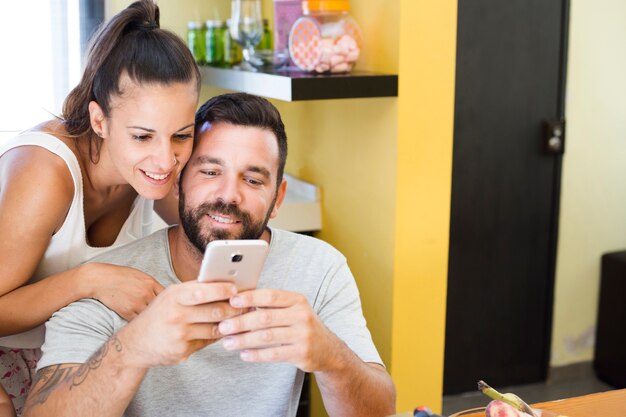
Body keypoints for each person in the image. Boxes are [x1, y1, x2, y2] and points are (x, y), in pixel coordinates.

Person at [22, 93, 396, 417]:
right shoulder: (110, 282)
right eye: (211, 171)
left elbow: (380, 410)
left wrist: (331, 357)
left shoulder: (320, 267)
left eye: (253, 179)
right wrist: (133, 348)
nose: (228, 194)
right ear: (179, 181)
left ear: (278, 199)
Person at [0, 1, 200, 415]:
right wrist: (89, 279)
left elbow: (202, 238)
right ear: (99, 120)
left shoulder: (153, 173)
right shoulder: (46, 172)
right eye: (143, 136)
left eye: (181, 135)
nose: (165, 161)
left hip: (68, 356)